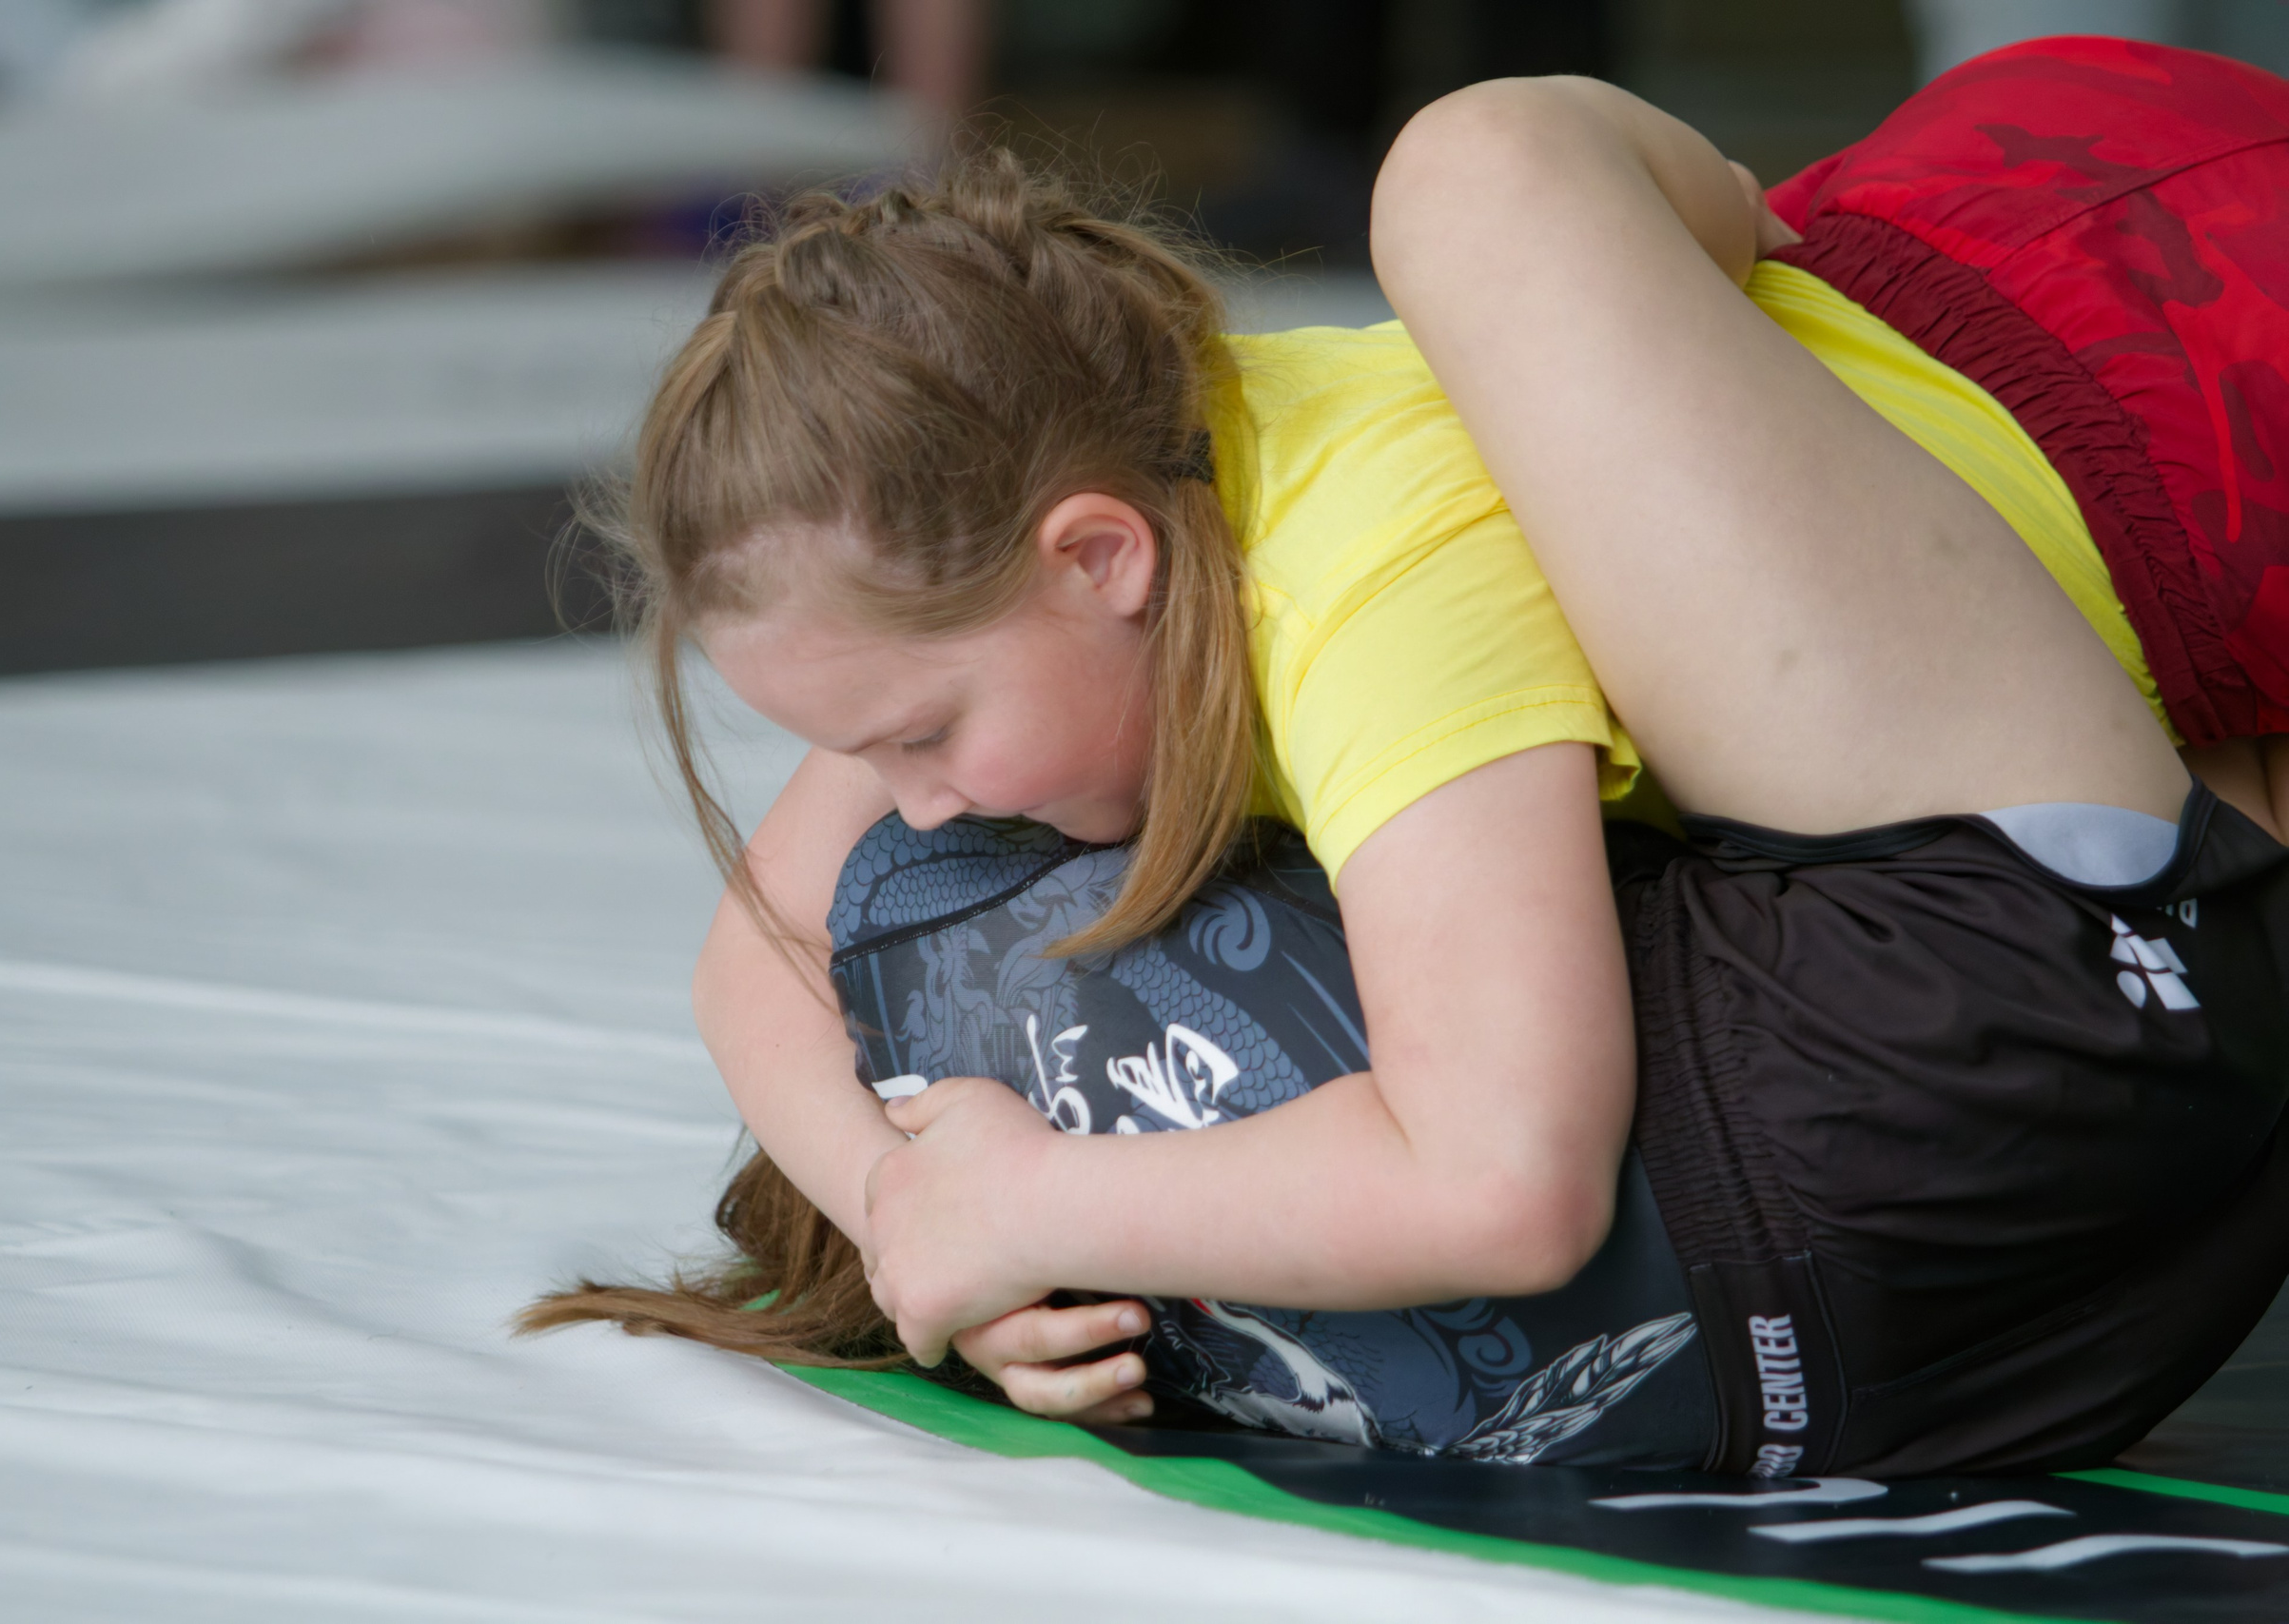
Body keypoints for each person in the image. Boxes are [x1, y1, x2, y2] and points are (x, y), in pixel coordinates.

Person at [525, 36, 2289, 1477]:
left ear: (1101, 557)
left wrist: (1033, 1198)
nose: (910, 802)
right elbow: (755, 949)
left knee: (1472, 178)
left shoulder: (1356, 567)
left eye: (921, 735)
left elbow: (1503, 1182)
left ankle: (1691, 218)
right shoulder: (1063, 582)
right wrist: (913, 1217)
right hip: (2019, 893)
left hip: (2036, 739)